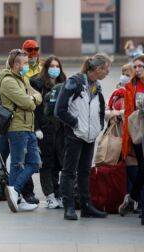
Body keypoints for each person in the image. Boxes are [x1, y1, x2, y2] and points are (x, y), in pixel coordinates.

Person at [55, 53, 111, 220]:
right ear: (98, 68)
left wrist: (98, 126)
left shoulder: (96, 86)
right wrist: (76, 125)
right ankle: (69, 207)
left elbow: (100, 109)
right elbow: (59, 110)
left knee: (85, 172)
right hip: (75, 135)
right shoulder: (75, 82)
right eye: (106, 69)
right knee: (69, 171)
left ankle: (86, 206)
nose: (108, 72)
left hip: (90, 136)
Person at [1, 49, 42, 213]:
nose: (27, 66)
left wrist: (32, 98)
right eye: (25, 63)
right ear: (16, 64)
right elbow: (29, 103)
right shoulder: (8, 81)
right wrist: (32, 99)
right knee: (17, 164)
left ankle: (14, 190)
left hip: (29, 126)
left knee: (35, 162)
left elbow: (38, 95)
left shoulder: (22, 79)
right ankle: (16, 195)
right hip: (17, 127)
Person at [30, 56, 67, 209]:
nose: (54, 69)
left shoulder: (64, 83)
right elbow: (35, 109)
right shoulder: (37, 83)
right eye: (51, 66)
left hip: (60, 129)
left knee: (59, 162)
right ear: (46, 67)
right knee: (46, 163)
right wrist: (37, 128)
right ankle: (50, 195)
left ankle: (58, 193)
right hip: (44, 129)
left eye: (57, 66)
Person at [118, 55, 144, 217]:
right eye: (135, 66)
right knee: (142, 166)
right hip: (138, 131)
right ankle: (136, 200)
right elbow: (128, 112)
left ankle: (133, 197)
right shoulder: (131, 86)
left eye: (141, 66)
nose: (137, 69)